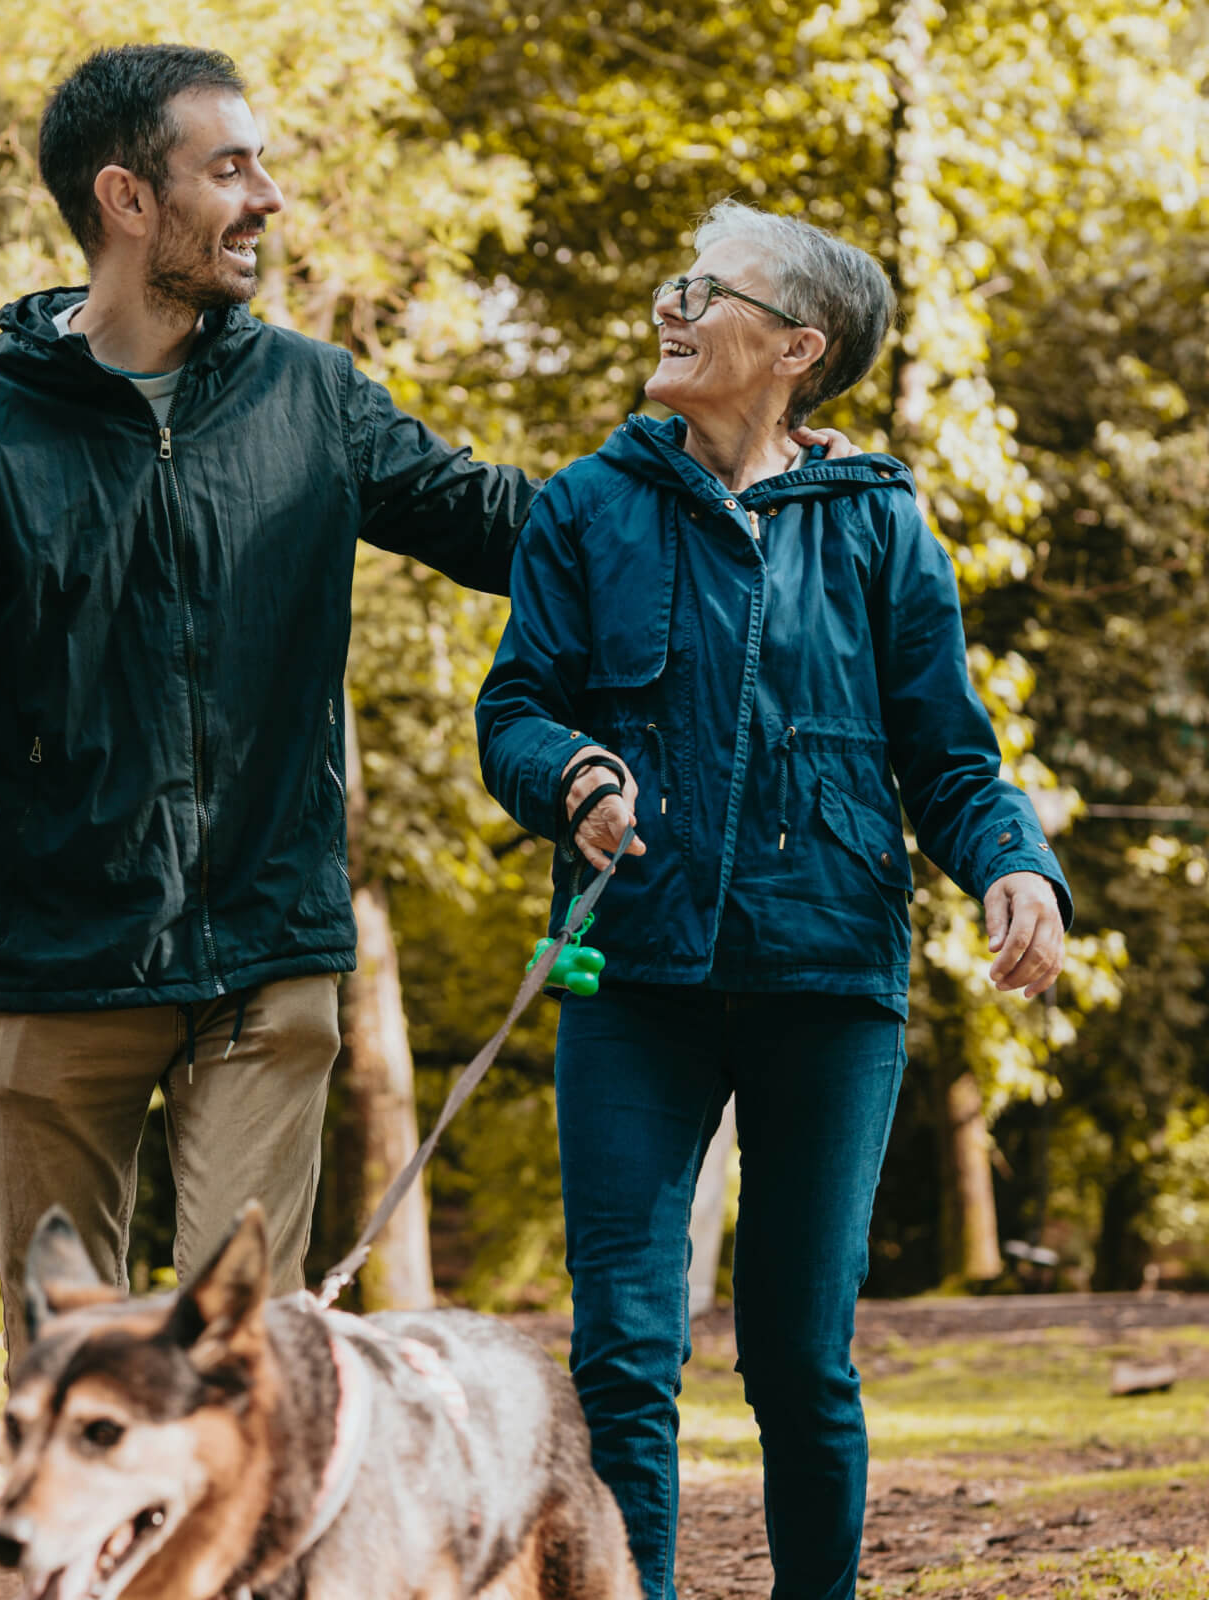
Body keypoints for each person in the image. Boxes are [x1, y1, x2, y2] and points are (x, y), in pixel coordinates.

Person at [0, 46, 848, 1375]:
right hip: (55, 955)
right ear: (128, 199)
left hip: (269, 941)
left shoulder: (310, 397)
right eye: (231, 169)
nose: (269, 198)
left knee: (242, 1365)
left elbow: (510, 525)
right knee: (66, 1370)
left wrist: (730, 472)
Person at [476, 200, 1071, 1600]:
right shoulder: (586, 508)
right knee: (624, 1349)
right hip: (633, 979)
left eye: (707, 290)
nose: (670, 307)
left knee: (804, 1359)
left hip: (829, 984)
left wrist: (1014, 862)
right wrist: (570, 773)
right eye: (676, 280)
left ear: (797, 348)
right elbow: (514, 706)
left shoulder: (878, 524)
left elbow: (949, 755)